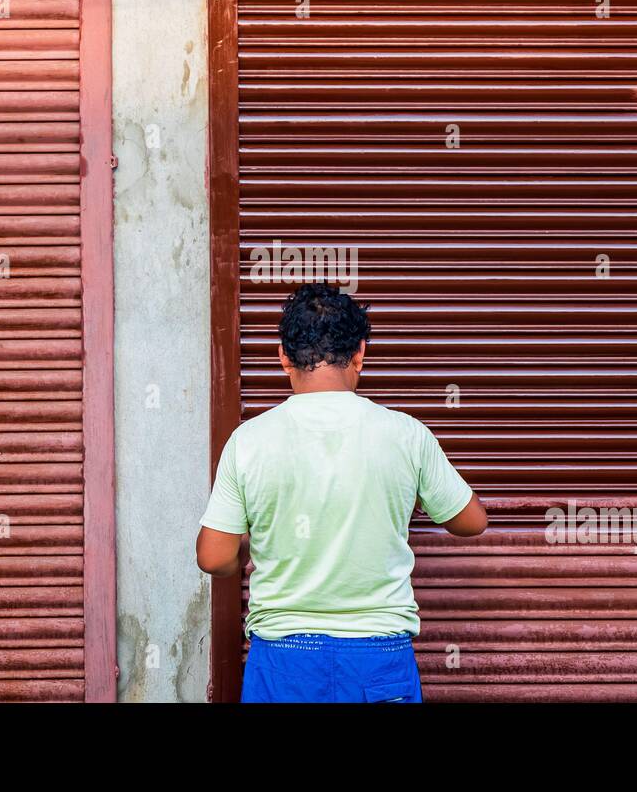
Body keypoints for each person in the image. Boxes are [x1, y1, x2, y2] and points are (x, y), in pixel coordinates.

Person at [196, 282, 488, 702]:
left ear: (282, 357)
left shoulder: (249, 440)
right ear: (360, 354)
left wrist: (247, 543)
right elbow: (471, 521)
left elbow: (214, 557)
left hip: (284, 663)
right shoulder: (404, 434)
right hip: (378, 660)